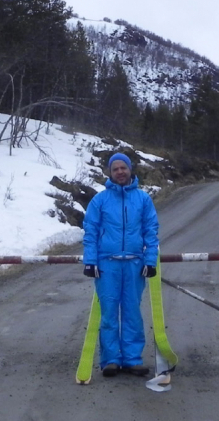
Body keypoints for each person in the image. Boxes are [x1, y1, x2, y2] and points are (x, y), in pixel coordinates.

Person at [82, 152, 159, 378]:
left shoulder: (143, 200)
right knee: (108, 314)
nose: (120, 172)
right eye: (115, 169)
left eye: (123, 168)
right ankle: (111, 360)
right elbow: (91, 232)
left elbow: (151, 232)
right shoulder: (100, 200)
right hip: (107, 266)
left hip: (134, 265)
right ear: (110, 172)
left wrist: (150, 260)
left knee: (132, 312)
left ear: (129, 169)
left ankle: (132, 359)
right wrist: (90, 261)